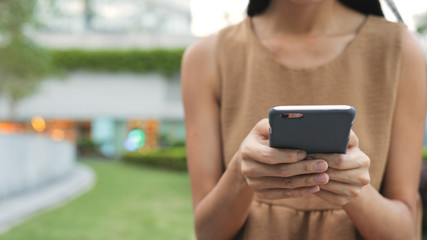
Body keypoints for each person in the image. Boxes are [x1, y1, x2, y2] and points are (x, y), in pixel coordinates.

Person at [181, 0, 426, 239]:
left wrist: (354, 189)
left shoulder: (401, 50)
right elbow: (207, 232)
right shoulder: (206, 57)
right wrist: (240, 172)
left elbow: (404, 231)